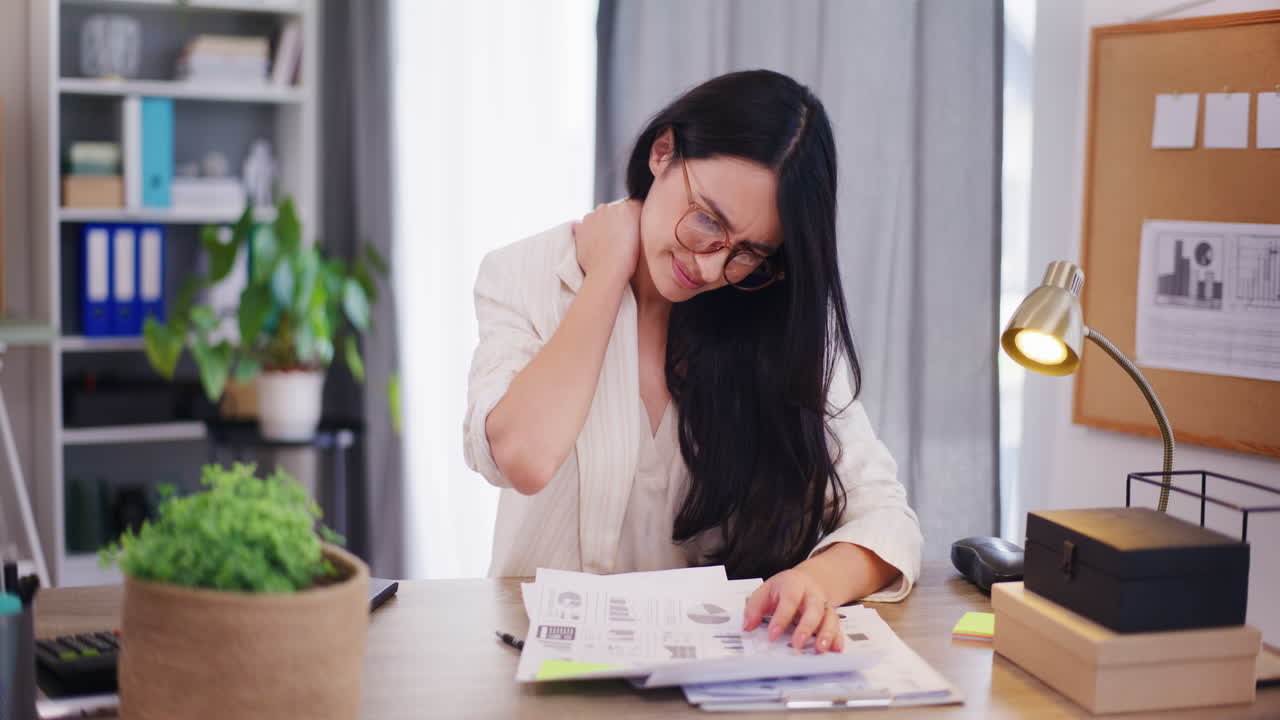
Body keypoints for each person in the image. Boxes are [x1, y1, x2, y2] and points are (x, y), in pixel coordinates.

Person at [464, 70, 922, 654]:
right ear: (663, 153)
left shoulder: (772, 320)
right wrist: (606, 275)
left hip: (712, 681)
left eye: (748, 253)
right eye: (708, 219)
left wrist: (813, 582)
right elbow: (523, 456)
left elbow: (885, 514)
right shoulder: (523, 275)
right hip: (540, 672)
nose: (710, 268)